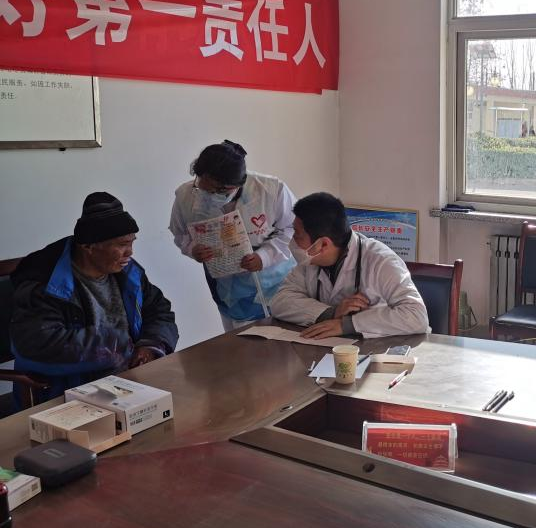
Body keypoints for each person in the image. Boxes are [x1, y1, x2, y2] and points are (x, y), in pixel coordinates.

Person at [9, 192, 178, 399]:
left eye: (132, 242)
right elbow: (39, 342)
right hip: (70, 392)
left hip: (130, 382)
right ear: (88, 246)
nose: (130, 252)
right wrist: (117, 346)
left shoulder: (129, 273)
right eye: (122, 244)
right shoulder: (45, 283)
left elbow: (159, 310)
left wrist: (150, 345)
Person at [170, 140, 297, 332]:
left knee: (287, 338)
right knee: (241, 341)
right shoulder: (185, 196)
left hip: (277, 282)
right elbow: (180, 233)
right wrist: (192, 249)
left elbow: (293, 228)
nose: (211, 194)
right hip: (230, 291)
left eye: (220, 190)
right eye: (204, 187)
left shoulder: (270, 189)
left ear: (238, 184)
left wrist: (265, 256)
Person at [270, 192, 429, 338]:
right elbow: (280, 302)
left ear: (323, 244)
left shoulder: (381, 260)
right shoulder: (309, 261)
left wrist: (347, 324)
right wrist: (332, 313)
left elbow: (417, 316)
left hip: (381, 350)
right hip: (328, 347)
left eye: (298, 235)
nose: (292, 240)